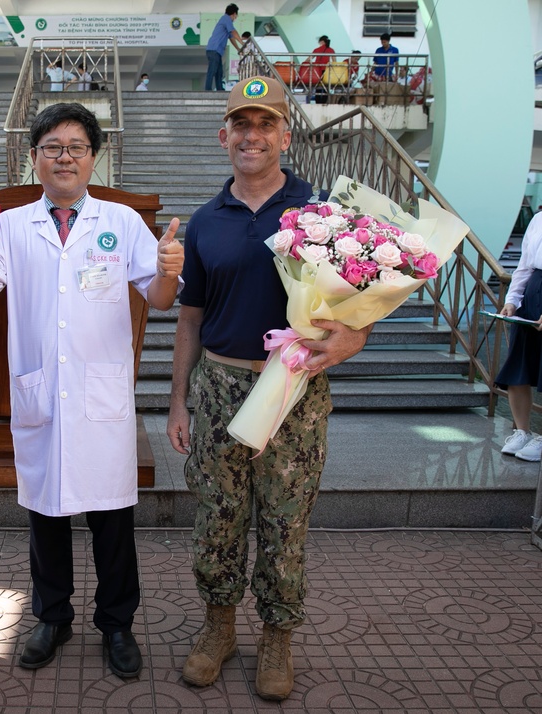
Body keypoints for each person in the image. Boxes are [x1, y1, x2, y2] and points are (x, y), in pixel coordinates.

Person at [0, 102, 184, 680]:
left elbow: (158, 299)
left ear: (92, 157)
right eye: (52, 146)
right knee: (46, 516)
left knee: (113, 519)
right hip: (42, 391)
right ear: (34, 157)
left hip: (100, 396)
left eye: (76, 147)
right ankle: (51, 618)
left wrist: (168, 268)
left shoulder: (123, 222)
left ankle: (117, 625)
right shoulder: (10, 223)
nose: (64, 156)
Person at [167, 76, 371, 701]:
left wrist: (350, 341)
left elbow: (358, 307)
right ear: (224, 135)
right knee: (218, 519)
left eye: (265, 125)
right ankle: (219, 625)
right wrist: (177, 399)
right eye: (241, 125)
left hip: (293, 388)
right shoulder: (205, 221)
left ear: (286, 135)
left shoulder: (323, 216)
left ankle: (277, 636)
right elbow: (191, 318)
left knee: (285, 522)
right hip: (218, 383)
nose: (252, 136)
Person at [495, 211, 542, 461]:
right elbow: (525, 266)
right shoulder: (538, 218)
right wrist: (512, 301)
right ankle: (522, 431)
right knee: (519, 368)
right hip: (532, 297)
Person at [205, 4, 242, 91]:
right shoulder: (226, 19)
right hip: (214, 49)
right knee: (213, 70)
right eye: (236, 16)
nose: (235, 18)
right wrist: (242, 42)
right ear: (233, 14)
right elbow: (233, 32)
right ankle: (208, 89)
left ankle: (219, 89)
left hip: (216, 51)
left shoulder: (225, 21)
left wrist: (238, 48)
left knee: (219, 72)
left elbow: (231, 37)